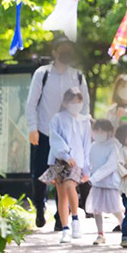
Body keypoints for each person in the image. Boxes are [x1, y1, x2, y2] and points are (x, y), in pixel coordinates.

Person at [25, 38, 89, 228]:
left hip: (70, 136)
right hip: (44, 132)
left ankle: (61, 218)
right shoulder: (42, 74)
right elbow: (32, 103)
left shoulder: (77, 76)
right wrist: (32, 128)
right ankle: (39, 207)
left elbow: (85, 105)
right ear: (54, 52)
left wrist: (85, 129)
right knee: (41, 173)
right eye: (63, 49)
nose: (66, 53)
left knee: (67, 176)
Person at [38, 88, 91, 244]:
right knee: (61, 195)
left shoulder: (84, 121)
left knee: (70, 187)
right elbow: (55, 139)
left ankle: (75, 220)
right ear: (65, 103)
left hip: (77, 161)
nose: (76, 105)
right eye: (73, 102)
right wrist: (66, 155)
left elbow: (87, 144)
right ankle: (65, 228)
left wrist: (87, 167)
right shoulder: (57, 119)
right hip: (59, 160)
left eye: (79, 102)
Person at [85, 119, 124, 245]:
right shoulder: (93, 146)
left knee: (115, 209)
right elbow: (88, 162)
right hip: (96, 184)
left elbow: (111, 165)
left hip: (109, 183)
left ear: (109, 132)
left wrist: (94, 177)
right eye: (97, 131)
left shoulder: (114, 145)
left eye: (102, 131)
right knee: (96, 210)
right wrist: (86, 174)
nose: (99, 133)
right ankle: (100, 234)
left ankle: (125, 228)